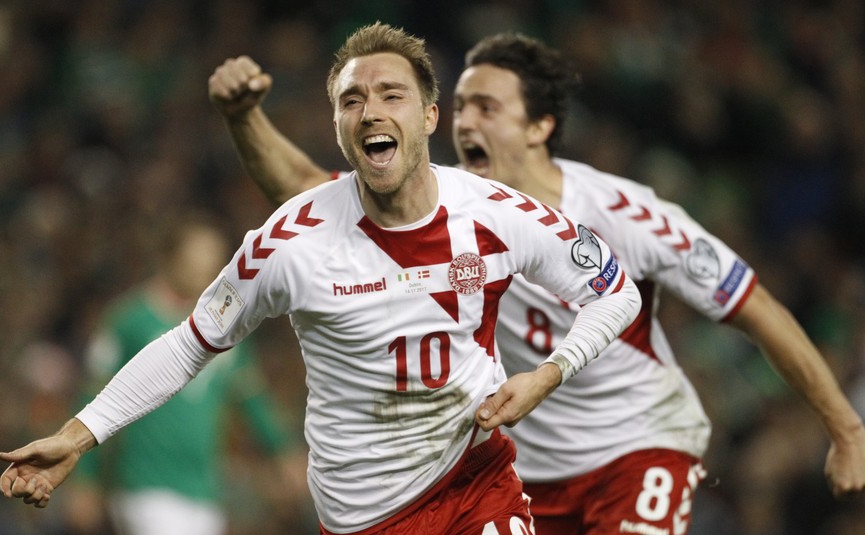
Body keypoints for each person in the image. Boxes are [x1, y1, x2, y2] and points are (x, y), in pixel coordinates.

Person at [205, 32, 865, 534]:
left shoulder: (623, 215)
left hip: (636, 448)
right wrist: (242, 118)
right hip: (522, 473)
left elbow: (755, 307)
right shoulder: (433, 213)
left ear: (540, 126)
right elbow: (301, 194)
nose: (465, 123)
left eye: (487, 107)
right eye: (459, 106)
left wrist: (845, 428)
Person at [0, 23, 642, 535]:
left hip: (474, 482)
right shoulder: (290, 242)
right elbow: (191, 344)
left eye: (392, 95)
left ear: (428, 117)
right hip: (363, 516)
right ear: (337, 125)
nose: (370, 112)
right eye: (351, 100)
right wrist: (77, 436)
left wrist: (548, 374)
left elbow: (616, 291)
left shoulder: (500, 214)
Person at [62, 216, 308, 535]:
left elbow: (251, 397)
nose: (208, 269)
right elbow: (91, 395)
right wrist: (85, 478)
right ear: (170, 259)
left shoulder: (225, 325)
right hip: (145, 484)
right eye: (197, 259)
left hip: (204, 490)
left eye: (214, 260)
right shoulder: (130, 321)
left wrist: (282, 450)